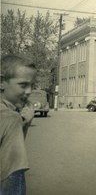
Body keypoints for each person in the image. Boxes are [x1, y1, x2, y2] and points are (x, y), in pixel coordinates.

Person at [1, 54, 37, 195]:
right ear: (2, 82)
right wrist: (23, 123)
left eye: (32, 86)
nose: (29, 92)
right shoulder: (11, 117)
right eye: (23, 85)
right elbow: (12, 174)